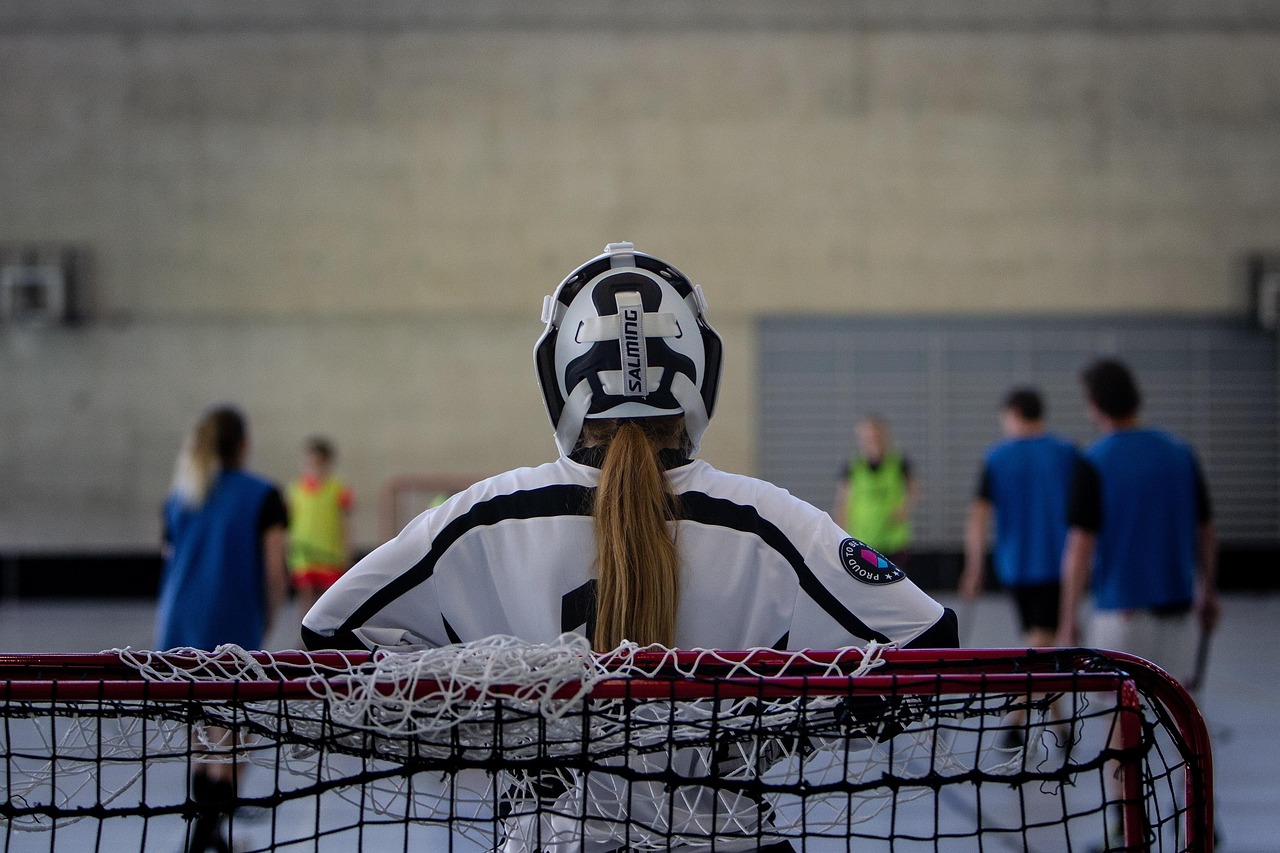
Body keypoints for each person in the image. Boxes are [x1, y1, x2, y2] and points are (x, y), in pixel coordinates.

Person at [155, 405, 289, 853]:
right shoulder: (264, 495)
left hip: (177, 627)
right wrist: (268, 616)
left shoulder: (180, 496)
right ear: (244, 445)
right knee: (234, 736)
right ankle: (208, 834)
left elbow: (171, 561)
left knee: (199, 732)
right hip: (232, 627)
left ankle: (206, 831)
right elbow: (275, 570)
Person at [1057, 359, 1220, 678]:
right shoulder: (1180, 453)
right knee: (1178, 718)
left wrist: (1067, 617)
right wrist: (1208, 590)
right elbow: (1205, 530)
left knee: (1121, 718)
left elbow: (1080, 547)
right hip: (1179, 611)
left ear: (1094, 405)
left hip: (1122, 614)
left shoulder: (1093, 460)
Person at [960, 388, 1081, 649]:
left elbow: (978, 516)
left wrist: (974, 568)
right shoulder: (1067, 452)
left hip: (1016, 563)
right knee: (1044, 641)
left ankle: (1033, 690)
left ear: (1014, 415)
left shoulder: (997, 457)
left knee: (1039, 641)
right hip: (1059, 561)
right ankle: (1038, 689)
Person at [832, 416, 918, 566]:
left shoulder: (898, 463)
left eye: (876, 437)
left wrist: (904, 509)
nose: (873, 442)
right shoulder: (853, 467)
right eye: (868, 438)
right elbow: (842, 502)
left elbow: (914, 489)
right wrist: (839, 534)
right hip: (862, 540)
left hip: (893, 540)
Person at [286, 435, 354, 619]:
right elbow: (289, 521)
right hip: (303, 553)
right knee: (305, 597)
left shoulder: (338, 489)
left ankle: (325, 636)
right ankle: (303, 636)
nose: (313, 468)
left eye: (318, 463)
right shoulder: (295, 489)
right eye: (309, 463)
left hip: (329, 553)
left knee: (329, 599)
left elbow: (345, 523)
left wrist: (346, 551)